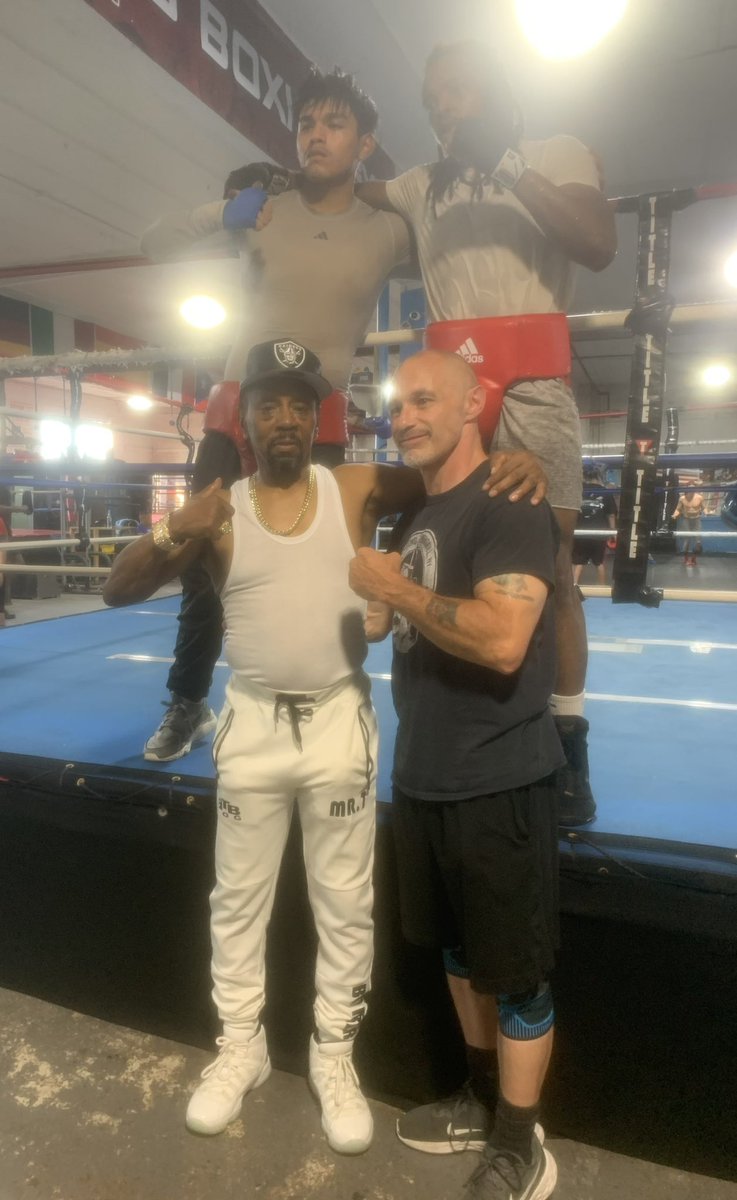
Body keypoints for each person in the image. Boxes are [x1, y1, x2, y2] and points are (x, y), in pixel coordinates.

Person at [102, 339, 545, 1156]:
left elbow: (456, 466)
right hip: (255, 725)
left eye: (300, 405)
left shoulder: (357, 486)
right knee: (238, 899)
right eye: (268, 404)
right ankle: (241, 1047)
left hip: (339, 719)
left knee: (345, 903)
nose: (285, 418)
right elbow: (116, 588)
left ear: (317, 419)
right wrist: (173, 527)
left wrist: (513, 459)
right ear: (243, 420)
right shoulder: (218, 509)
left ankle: (331, 1056)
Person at [354, 39, 618, 828]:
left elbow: (597, 245)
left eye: (457, 92)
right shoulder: (417, 182)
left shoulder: (555, 150)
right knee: (447, 554)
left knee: (556, 575)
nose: (442, 108)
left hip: (532, 381)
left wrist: (501, 161)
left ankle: (566, 739)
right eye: (433, 98)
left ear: (496, 92)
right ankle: (457, 727)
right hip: (450, 383)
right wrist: (287, 186)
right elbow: (351, 195)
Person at [138, 68, 416, 762]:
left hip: (318, 415)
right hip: (236, 405)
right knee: (202, 557)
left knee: (319, 563)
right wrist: (221, 210)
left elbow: (458, 247)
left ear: (364, 142)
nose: (315, 136)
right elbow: (155, 242)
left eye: (333, 124)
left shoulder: (387, 229)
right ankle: (186, 702)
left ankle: (321, 699)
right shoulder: (265, 208)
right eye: (306, 124)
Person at [349, 349, 562, 1200]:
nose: (404, 418)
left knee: (513, 971)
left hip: (497, 778)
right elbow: (395, 614)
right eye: (397, 406)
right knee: (456, 956)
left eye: (425, 401)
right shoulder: (417, 514)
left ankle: (521, 1142)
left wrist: (395, 595)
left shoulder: (509, 503)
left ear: (476, 403)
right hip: (426, 777)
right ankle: (479, 1102)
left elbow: (504, 641)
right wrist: (380, 602)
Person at [572, 466, 618, 587]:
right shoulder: (605, 492)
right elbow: (611, 515)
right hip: (599, 532)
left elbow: (572, 511)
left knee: (579, 562)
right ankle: (602, 587)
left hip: (581, 532)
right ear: (598, 476)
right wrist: (613, 533)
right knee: (599, 562)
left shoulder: (578, 491)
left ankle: (574, 585)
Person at [672, 486, 705, 566]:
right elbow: (678, 509)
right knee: (686, 540)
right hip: (686, 519)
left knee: (698, 541)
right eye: (690, 488)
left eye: (693, 488)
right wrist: (674, 514)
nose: (692, 490)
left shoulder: (699, 497)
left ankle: (694, 559)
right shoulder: (682, 498)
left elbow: (703, 508)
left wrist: (706, 512)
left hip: (696, 519)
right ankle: (686, 559)